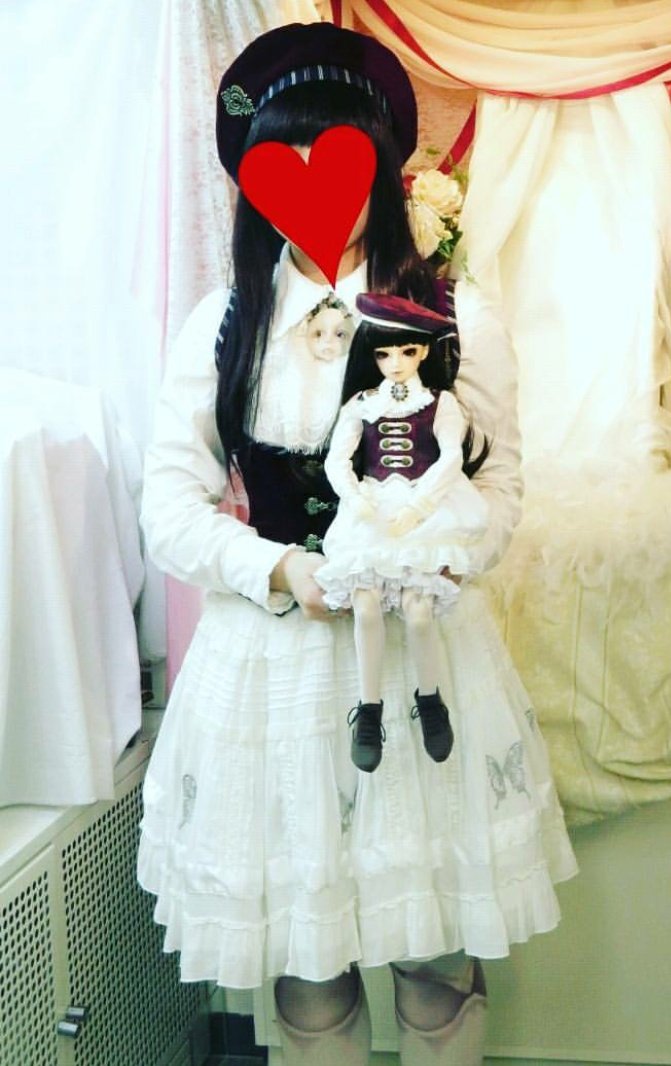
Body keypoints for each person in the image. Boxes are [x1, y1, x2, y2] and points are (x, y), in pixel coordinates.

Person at [137, 21, 577, 1066]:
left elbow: (500, 482)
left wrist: (444, 556)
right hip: (273, 672)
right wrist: (280, 569)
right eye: (280, 162)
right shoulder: (222, 325)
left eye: (332, 155)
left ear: (378, 168)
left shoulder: (455, 314)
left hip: (425, 660)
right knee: (310, 965)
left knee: (433, 959)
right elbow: (168, 506)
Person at [317, 293, 489, 772]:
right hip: (373, 504)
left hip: (425, 507)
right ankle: (368, 710)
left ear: (425, 352)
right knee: (366, 607)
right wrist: (355, 498)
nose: (395, 363)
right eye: (384, 353)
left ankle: (430, 701)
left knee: (419, 612)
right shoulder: (362, 404)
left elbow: (450, 458)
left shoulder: (440, 403)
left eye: (407, 351)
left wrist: (419, 506)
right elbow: (337, 459)